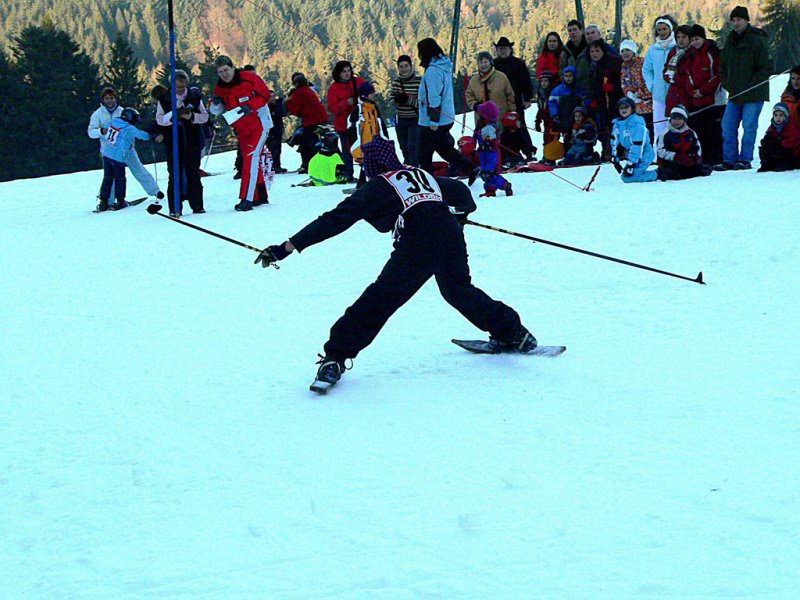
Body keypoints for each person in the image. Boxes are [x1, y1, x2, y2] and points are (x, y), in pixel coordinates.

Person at [253, 137, 538, 389]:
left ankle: (335, 357)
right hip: (449, 235)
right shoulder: (419, 173)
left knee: (380, 299)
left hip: (417, 243)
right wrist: (459, 217)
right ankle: (514, 334)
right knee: (459, 291)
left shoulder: (377, 186)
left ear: (373, 165)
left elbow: (334, 220)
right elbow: (462, 194)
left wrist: (287, 247)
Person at [210, 56, 273, 212]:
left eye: (226, 70)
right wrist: (215, 103)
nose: (224, 74)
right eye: (220, 72)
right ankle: (260, 195)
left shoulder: (249, 78)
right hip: (242, 129)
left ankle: (247, 198)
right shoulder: (219, 88)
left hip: (259, 124)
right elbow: (216, 111)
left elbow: (265, 95)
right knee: (249, 161)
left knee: (251, 160)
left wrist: (250, 106)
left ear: (233, 67)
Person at [718, 6, 773, 171]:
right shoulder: (730, 40)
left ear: (746, 20)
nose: (736, 23)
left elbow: (766, 68)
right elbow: (723, 66)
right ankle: (729, 159)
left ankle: (745, 159)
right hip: (735, 93)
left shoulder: (757, 40)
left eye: (739, 20)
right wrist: (727, 83)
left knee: (749, 127)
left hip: (754, 93)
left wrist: (750, 86)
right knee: (727, 126)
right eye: (733, 20)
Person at [416, 38, 480, 180]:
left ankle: (427, 180)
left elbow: (434, 98)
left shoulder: (433, 71)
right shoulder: (443, 66)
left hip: (434, 119)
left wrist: (433, 121)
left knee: (424, 152)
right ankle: (470, 168)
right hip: (446, 117)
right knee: (443, 148)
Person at [87, 87, 162, 206]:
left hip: (128, 149)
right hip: (109, 150)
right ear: (103, 100)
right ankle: (109, 200)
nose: (109, 101)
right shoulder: (98, 114)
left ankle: (155, 191)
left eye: (112, 98)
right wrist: (101, 131)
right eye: (107, 98)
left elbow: (134, 128)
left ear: (116, 99)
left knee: (138, 169)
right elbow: (91, 132)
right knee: (112, 177)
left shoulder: (122, 111)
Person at [155, 69, 209, 216]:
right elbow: (159, 119)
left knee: (193, 173)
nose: (179, 89)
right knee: (174, 174)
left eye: (182, 86)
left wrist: (191, 116)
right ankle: (174, 208)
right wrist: (172, 118)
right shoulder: (164, 99)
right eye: (177, 87)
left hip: (192, 140)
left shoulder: (194, 97)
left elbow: (204, 116)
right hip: (173, 142)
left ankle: (197, 205)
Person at [683, 25, 724, 167]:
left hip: (714, 100)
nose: (695, 42)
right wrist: (692, 91)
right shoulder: (689, 55)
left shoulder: (712, 52)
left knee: (715, 131)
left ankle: (717, 159)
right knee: (700, 131)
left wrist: (703, 90)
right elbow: (687, 75)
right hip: (697, 101)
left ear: (703, 38)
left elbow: (718, 75)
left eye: (697, 39)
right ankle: (704, 158)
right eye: (692, 40)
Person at [98, 108, 152, 211]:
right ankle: (120, 201)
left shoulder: (114, 121)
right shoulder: (129, 128)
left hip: (106, 155)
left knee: (108, 178)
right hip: (118, 157)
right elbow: (142, 135)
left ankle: (103, 202)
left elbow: (104, 128)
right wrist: (151, 136)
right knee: (120, 179)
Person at [494, 36, 536, 159]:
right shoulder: (493, 65)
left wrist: (527, 98)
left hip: (516, 101)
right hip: (499, 102)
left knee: (519, 126)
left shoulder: (518, 63)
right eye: (500, 48)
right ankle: (508, 154)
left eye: (505, 48)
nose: (502, 50)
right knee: (503, 129)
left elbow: (526, 82)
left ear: (510, 49)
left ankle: (528, 151)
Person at [327, 60, 366, 180]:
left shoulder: (358, 82)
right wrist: (345, 103)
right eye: (344, 71)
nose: (347, 73)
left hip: (360, 123)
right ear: (338, 73)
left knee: (363, 148)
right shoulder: (334, 88)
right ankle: (349, 174)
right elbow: (332, 108)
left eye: (348, 70)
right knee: (347, 151)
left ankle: (365, 173)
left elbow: (369, 91)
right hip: (343, 125)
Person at [285, 72, 330, 173]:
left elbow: (295, 110)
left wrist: (288, 101)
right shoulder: (309, 90)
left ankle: (307, 165)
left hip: (311, 120)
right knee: (317, 142)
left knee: (305, 143)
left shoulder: (298, 93)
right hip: (321, 118)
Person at [643, 16, 678, 142]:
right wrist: (652, 86)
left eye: (664, 29)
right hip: (658, 95)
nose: (662, 32)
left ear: (671, 29)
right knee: (659, 126)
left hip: (675, 93)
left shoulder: (677, 47)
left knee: (676, 124)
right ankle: (660, 151)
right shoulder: (653, 49)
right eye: (659, 30)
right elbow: (647, 70)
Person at [587, 40, 622, 161]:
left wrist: (613, 87)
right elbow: (595, 85)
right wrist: (596, 99)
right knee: (604, 126)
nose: (594, 54)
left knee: (615, 126)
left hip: (615, 100)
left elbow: (621, 79)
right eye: (592, 51)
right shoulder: (595, 65)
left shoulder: (613, 62)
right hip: (603, 101)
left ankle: (619, 151)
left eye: (597, 51)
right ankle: (607, 150)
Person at [656, 105, 711, 181]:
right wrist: (675, 156)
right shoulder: (665, 134)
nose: (676, 121)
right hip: (671, 162)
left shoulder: (691, 133)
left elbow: (698, 148)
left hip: (686, 162)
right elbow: (660, 151)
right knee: (672, 171)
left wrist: (695, 158)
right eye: (674, 119)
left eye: (679, 119)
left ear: (684, 120)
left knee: (697, 168)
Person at [610, 97, 657, 183]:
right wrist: (615, 158)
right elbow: (614, 141)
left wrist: (631, 164)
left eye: (626, 107)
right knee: (626, 176)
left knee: (628, 177)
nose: (623, 110)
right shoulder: (618, 124)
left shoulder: (636, 123)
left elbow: (638, 145)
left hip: (645, 154)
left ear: (632, 108)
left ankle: (659, 174)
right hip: (633, 155)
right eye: (621, 108)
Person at [473, 101, 512, 197]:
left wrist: (487, 143)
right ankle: (490, 190)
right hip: (484, 154)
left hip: (490, 155)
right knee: (485, 172)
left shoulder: (489, 128)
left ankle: (504, 184)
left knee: (489, 173)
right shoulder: (482, 126)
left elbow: (491, 140)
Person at [465, 51, 516, 123]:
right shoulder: (474, 80)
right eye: (481, 62)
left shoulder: (501, 77)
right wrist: (475, 105)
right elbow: (469, 95)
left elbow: (510, 95)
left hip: (500, 117)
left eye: (486, 62)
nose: (483, 65)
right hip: (481, 118)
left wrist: (512, 112)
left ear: (490, 62)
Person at [390, 55, 422, 166]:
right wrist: (396, 100)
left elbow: (423, 103)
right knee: (403, 146)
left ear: (411, 66)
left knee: (413, 146)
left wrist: (408, 100)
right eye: (401, 66)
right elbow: (391, 101)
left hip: (415, 119)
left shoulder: (419, 81)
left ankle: (414, 167)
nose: (404, 69)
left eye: (406, 66)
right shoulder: (396, 82)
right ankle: (407, 165)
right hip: (401, 119)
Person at [548, 66, 587, 157]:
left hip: (578, 118)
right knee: (567, 137)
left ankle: (581, 154)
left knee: (579, 137)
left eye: (570, 76)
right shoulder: (558, 90)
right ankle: (567, 154)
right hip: (564, 118)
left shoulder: (579, 89)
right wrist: (554, 113)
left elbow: (585, 101)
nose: (568, 78)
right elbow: (552, 102)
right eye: (566, 76)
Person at [619, 40, 654, 140]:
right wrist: (629, 94)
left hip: (648, 105)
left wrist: (639, 94)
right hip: (635, 107)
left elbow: (649, 81)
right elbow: (624, 83)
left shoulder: (642, 63)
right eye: (622, 51)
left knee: (649, 133)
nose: (625, 53)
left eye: (627, 50)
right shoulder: (623, 66)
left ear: (633, 51)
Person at [757, 103, 800, 172]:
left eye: (781, 115)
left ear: (785, 116)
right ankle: (766, 164)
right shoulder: (772, 127)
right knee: (766, 143)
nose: (778, 118)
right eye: (776, 115)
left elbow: (795, 140)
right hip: (778, 152)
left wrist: (782, 142)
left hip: (792, 154)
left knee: (780, 146)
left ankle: (782, 164)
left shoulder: (791, 126)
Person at [663, 25, 692, 116]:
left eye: (684, 37)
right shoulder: (673, 51)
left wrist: (677, 78)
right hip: (673, 93)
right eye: (678, 37)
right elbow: (666, 68)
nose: (681, 40)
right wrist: (666, 76)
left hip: (687, 93)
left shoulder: (692, 52)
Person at [560, 19, 591, 95]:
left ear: (581, 31)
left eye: (575, 30)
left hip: (588, 89)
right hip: (572, 90)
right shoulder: (565, 51)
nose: (572, 33)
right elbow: (562, 70)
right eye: (570, 31)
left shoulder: (590, 48)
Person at [535, 70, 559, 163]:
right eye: (542, 81)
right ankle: (547, 155)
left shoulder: (553, 94)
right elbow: (540, 109)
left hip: (553, 121)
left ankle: (551, 158)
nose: (543, 83)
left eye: (546, 81)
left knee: (551, 139)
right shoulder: (541, 94)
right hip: (546, 122)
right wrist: (537, 121)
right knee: (546, 139)